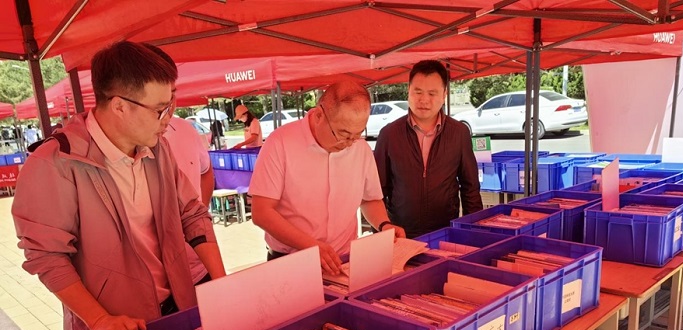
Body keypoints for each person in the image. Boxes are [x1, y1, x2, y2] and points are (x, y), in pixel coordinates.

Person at [11, 41, 226, 330]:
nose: (168, 119)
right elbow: (47, 257)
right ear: (119, 106)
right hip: (114, 329)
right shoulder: (56, 162)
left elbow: (192, 214)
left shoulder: (157, 149)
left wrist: (222, 284)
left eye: (170, 106)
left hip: (178, 307)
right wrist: (99, 320)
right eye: (160, 110)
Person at [250, 80, 405, 276]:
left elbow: (370, 199)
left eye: (357, 134)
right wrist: (310, 245)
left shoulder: (360, 149)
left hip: (343, 260)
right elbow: (262, 212)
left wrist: (384, 225)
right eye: (343, 134)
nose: (349, 143)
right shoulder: (280, 143)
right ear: (319, 115)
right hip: (290, 262)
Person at [374, 60, 483, 238]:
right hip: (401, 235)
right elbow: (377, 191)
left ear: (444, 94)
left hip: (446, 233)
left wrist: (474, 233)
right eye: (418, 92)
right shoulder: (389, 134)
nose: (424, 100)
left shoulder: (459, 133)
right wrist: (382, 230)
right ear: (408, 91)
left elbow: (470, 187)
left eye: (432, 93)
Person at [143, 43, 216, 287]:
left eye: (173, 94)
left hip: (196, 265)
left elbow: (205, 173)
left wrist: (198, 212)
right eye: (159, 102)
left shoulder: (185, 131)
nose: (169, 106)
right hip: (152, 281)